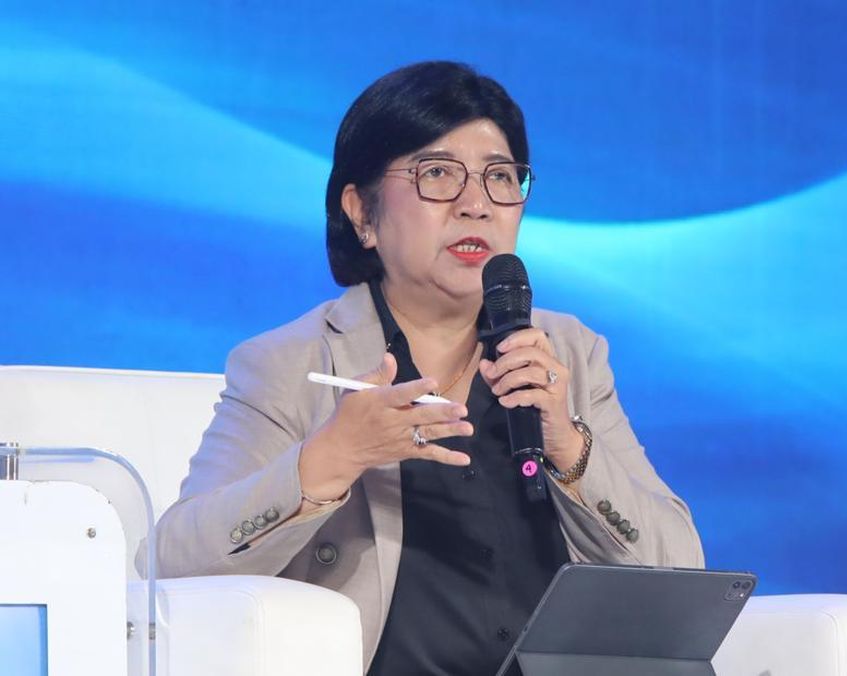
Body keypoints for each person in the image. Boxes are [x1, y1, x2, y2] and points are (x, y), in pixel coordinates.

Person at [151, 61, 704, 674]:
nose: (476, 205)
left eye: (501, 177)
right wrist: (329, 460)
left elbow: (682, 574)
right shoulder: (291, 363)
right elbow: (175, 564)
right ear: (362, 213)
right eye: (437, 173)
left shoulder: (568, 352)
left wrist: (571, 451)